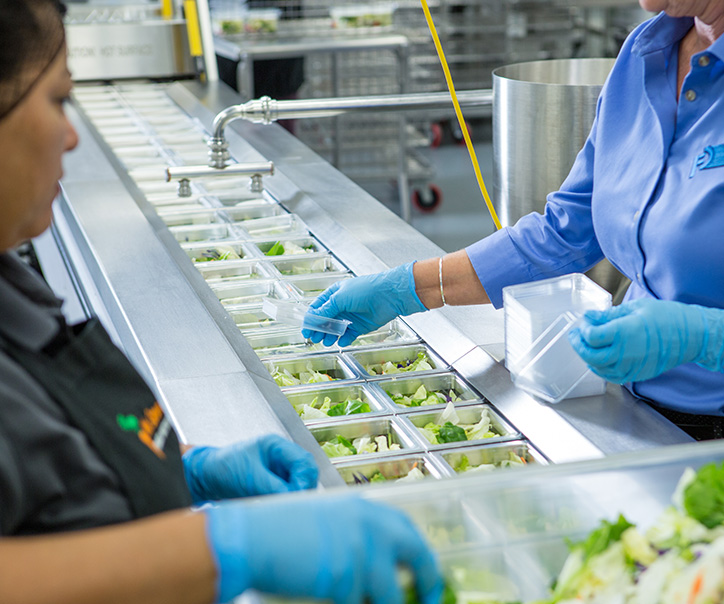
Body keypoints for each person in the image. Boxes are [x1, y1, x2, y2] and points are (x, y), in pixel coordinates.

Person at [0, 2, 443, 603]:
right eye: (56, 100)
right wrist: (224, 549)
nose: (72, 132)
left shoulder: (12, 286)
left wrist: (183, 468)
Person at [303, 0, 724, 440]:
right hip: (643, 414)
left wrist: (705, 337)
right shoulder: (646, 51)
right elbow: (565, 231)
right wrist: (409, 287)